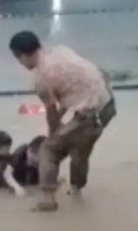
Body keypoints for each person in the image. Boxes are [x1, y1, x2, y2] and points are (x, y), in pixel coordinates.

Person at [9, 31, 117, 212]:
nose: (20, 63)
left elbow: (51, 112)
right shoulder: (60, 51)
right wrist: (61, 125)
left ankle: (47, 200)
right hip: (106, 104)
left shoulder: (41, 79)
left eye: (18, 58)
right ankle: (77, 190)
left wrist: (53, 135)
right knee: (80, 147)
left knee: (48, 151)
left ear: (23, 55)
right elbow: (72, 91)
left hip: (87, 113)